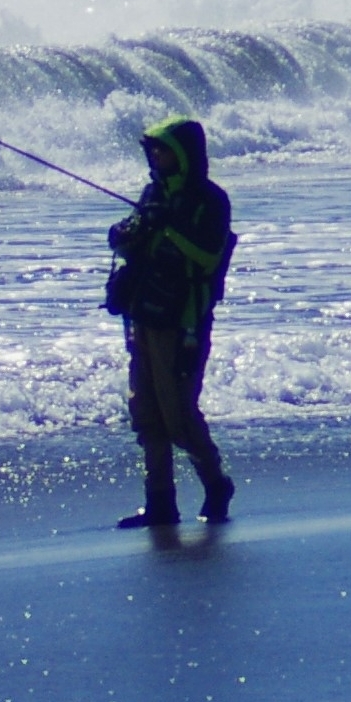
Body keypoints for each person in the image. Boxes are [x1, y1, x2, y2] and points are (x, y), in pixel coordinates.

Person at [107, 117, 236, 530]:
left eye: (162, 150)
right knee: (145, 412)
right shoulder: (153, 194)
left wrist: (169, 227)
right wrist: (133, 228)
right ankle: (160, 501)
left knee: (178, 413)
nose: (155, 157)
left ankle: (216, 484)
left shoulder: (210, 200)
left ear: (182, 154)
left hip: (183, 323)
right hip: (142, 317)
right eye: (152, 151)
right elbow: (124, 240)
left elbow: (209, 257)